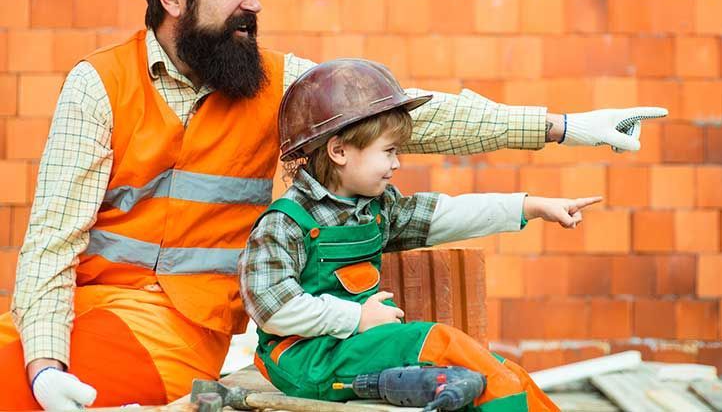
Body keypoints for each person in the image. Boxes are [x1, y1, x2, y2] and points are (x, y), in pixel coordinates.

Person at [0, 0, 666, 411]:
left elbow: (410, 113)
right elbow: (51, 246)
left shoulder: (276, 83)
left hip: (173, 337)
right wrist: (45, 364)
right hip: (83, 317)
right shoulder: (97, 87)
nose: (254, 4)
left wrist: (563, 126)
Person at [241, 59, 603, 411]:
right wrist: (356, 318)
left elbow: (444, 215)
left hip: (356, 345)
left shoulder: (375, 208)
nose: (396, 163)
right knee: (443, 345)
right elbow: (273, 308)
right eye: (389, 151)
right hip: (308, 358)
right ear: (339, 151)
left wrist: (531, 206)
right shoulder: (285, 222)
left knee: (503, 374)